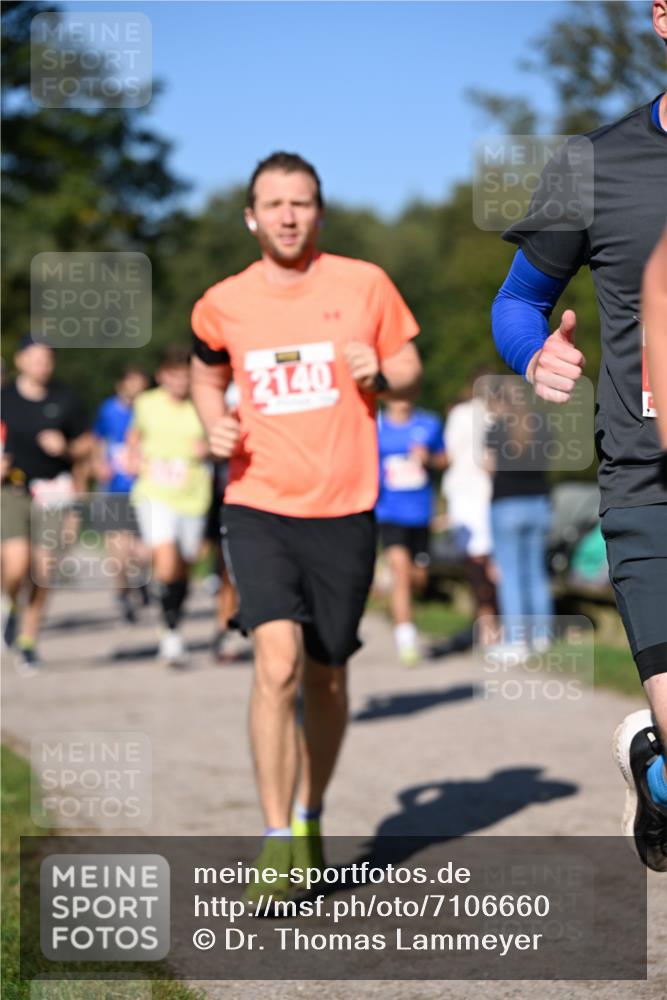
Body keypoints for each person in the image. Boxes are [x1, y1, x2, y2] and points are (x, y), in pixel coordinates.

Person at [190, 151, 421, 898]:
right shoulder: (221, 301)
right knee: (277, 663)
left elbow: (409, 364)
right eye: (273, 203)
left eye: (302, 202)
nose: (287, 215)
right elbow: (205, 369)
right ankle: (275, 838)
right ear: (250, 215)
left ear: (317, 212)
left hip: (345, 507)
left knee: (325, 677)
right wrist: (209, 422)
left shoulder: (363, 284)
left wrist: (377, 374)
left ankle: (311, 810)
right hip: (256, 502)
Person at [491, 1, 667, 870]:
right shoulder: (590, 165)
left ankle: (657, 770)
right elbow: (516, 300)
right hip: (649, 483)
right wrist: (533, 359)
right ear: (661, 18)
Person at [1, 337, 92, 670]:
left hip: (55, 493)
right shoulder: (4, 398)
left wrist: (66, 448)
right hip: (12, 491)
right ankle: (10, 604)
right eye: (36, 358)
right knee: (15, 565)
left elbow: (87, 448)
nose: (43, 365)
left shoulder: (65, 399)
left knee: (44, 571)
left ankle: (28, 640)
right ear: (21, 360)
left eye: (48, 359)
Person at [127, 345, 211, 666]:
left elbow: (221, 444)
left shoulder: (202, 405)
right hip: (155, 492)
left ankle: (173, 620)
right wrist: (133, 456)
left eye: (184, 378)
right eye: (173, 376)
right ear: (162, 376)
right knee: (165, 561)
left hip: (192, 494)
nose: (179, 383)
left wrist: (209, 450)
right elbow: (134, 436)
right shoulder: (147, 404)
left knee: (185, 567)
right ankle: (169, 633)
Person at [485, 379, 554, 658]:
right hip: (539, 504)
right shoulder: (543, 426)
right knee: (536, 572)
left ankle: (516, 641)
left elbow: (489, 468)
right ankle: (542, 636)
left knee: (510, 575)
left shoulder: (496, 429)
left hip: (506, 505)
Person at [375, 400, 446, 664]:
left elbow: (445, 459)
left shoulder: (429, 423)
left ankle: (392, 591)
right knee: (401, 571)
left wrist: (429, 458)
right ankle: (407, 641)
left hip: (420, 514)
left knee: (418, 578)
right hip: (389, 512)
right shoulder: (376, 426)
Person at [440, 375, 496, 651]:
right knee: (492, 561)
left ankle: (487, 625)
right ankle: (497, 621)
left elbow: (448, 454)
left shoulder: (460, 414)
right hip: (492, 492)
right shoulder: (499, 413)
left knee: (474, 563)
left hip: (464, 492)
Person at [93, 365, 150, 622]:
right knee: (118, 548)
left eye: (141, 384)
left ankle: (140, 579)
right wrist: (98, 464)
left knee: (142, 551)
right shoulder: (108, 410)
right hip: (115, 487)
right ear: (122, 385)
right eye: (132, 383)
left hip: (144, 487)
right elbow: (96, 440)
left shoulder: (151, 410)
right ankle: (123, 592)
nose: (136, 389)